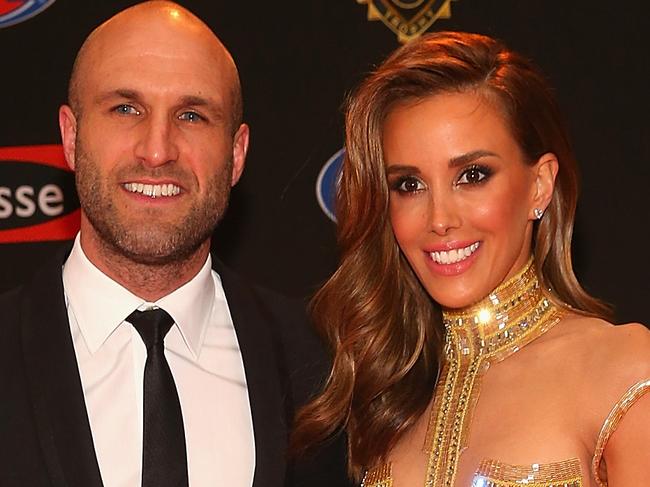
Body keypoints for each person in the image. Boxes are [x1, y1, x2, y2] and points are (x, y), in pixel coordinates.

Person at [0, 2, 350, 486]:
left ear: (236, 153)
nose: (157, 150)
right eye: (126, 109)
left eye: (191, 115)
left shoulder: (327, 368)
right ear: (71, 136)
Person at [292, 32, 650, 486]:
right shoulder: (388, 400)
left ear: (540, 185)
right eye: (409, 185)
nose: (439, 219)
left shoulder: (623, 369)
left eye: (472, 175)